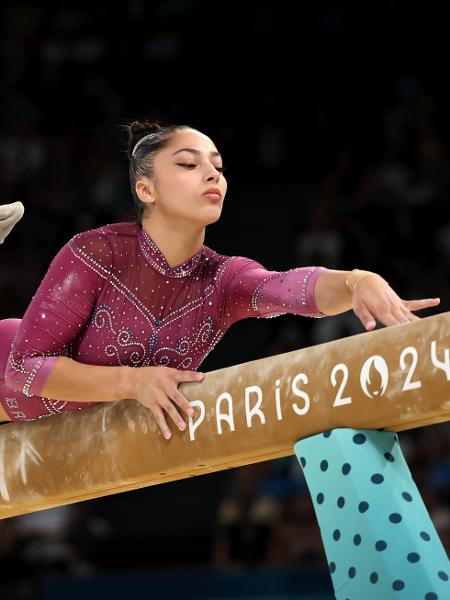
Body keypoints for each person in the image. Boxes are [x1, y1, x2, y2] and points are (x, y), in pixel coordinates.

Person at [0, 121, 440, 436]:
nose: (213, 174)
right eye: (189, 164)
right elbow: (23, 369)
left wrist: (356, 281)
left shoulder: (222, 282)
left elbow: (289, 288)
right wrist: (134, 383)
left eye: (218, 165)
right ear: (145, 189)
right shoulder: (99, 252)